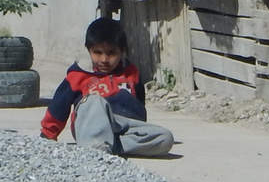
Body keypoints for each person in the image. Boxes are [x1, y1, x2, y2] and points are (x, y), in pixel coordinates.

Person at [40, 17, 174, 156]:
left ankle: (110, 146)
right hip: (92, 124)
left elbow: (139, 102)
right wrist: (48, 134)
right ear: (89, 50)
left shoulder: (131, 72)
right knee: (94, 101)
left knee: (165, 138)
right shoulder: (78, 75)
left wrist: (139, 124)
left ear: (122, 51)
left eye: (111, 53)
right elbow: (59, 105)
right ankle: (96, 147)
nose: (104, 59)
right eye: (97, 53)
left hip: (123, 126)